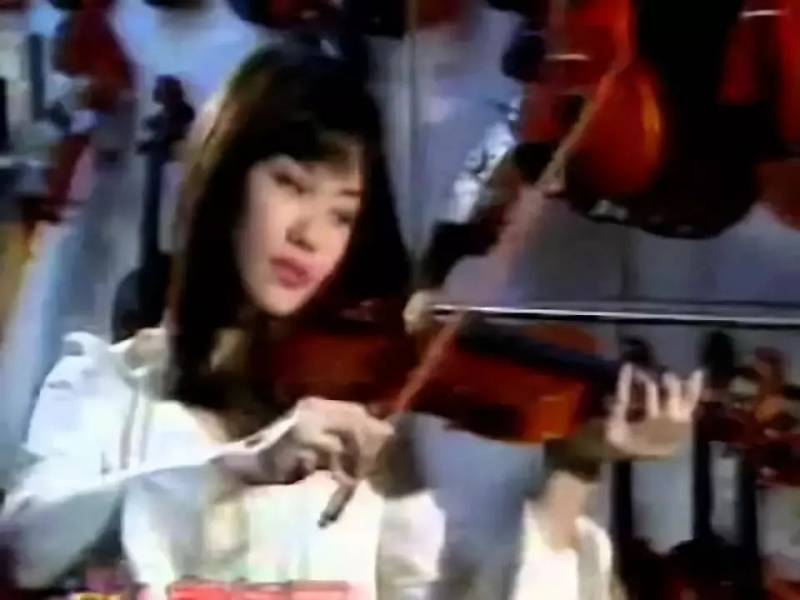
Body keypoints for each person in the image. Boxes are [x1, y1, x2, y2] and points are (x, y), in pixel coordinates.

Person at [1, 45, 703, 600]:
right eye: (291, 185)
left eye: (342, 213)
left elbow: (458, 588)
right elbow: (27, 547)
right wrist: (240, 466)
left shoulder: (350, 430)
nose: (311, 235)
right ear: (226, 178)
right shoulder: (109, 385)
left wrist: (574, 469)